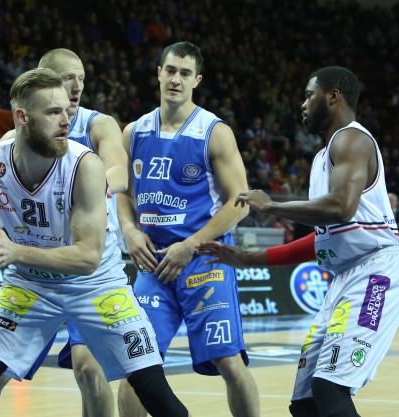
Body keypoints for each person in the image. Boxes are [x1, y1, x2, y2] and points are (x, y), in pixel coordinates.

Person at [0, 68, 189, 417]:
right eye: (54, 112)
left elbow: (87, 257)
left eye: (67, 111)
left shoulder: (84, 167)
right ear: (22, 117)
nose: (66, 121)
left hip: (95, 284)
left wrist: (14, 252)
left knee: (153, 389)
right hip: (30, 283)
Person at [197, 66, 399, 417]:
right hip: (345, 276)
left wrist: (272, 206)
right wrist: (248, 258)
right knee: (305, 401)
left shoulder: (351, 139)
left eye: (309, 95)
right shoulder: (321, 158)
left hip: (377, 273)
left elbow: (341, 208)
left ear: (333, 96)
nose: (303, 104)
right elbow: (324, 240)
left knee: (329, 386)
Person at [116, 41, 260, 417]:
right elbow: (123, 194)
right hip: (154, 261)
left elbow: (240, 203)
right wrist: (129, 231)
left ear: (197, 80)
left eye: (184, 73)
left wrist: (192, 244)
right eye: (170, 70)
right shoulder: (134, 132)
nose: (176, 79)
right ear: (158, 73)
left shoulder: (214, 131)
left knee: (228, 361)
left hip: (204, 258)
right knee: (137, 365)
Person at [0, 48, 127, 417]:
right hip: (37, 269)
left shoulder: (98, 124)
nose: (76, 87)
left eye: (81, 78)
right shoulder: (21, 134)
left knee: (88, 369)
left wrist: (86, 187)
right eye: (67, 79)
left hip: (87, 268)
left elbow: (120, 172)